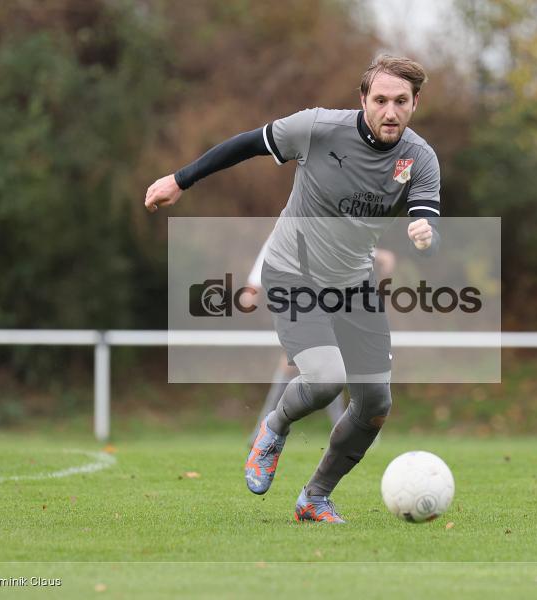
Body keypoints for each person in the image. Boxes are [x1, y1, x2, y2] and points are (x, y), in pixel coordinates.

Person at [145, 55, 440, 523]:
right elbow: (246, 145)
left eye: (400, 101)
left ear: (415, 103)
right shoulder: (317, 128)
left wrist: (423, 233)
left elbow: (426, 218)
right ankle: (274, 427)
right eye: (380, 100)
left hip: (354, 283)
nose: (390, 111)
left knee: (376, 404)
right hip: (293, 273)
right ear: (362, 100)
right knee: (325, 378)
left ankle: (315, 497)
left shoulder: (420, 158)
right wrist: (180, 180)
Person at [243, 239, 397, 447]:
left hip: (329, 298)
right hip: (300, 299)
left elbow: (345, 243)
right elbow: (269, 253)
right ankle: (266, 430)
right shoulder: (289, 227)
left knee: (324, 364)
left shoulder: (321, 220)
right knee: (314, 365)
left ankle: (264, 431)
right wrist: (252, 288)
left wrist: (378, 255)